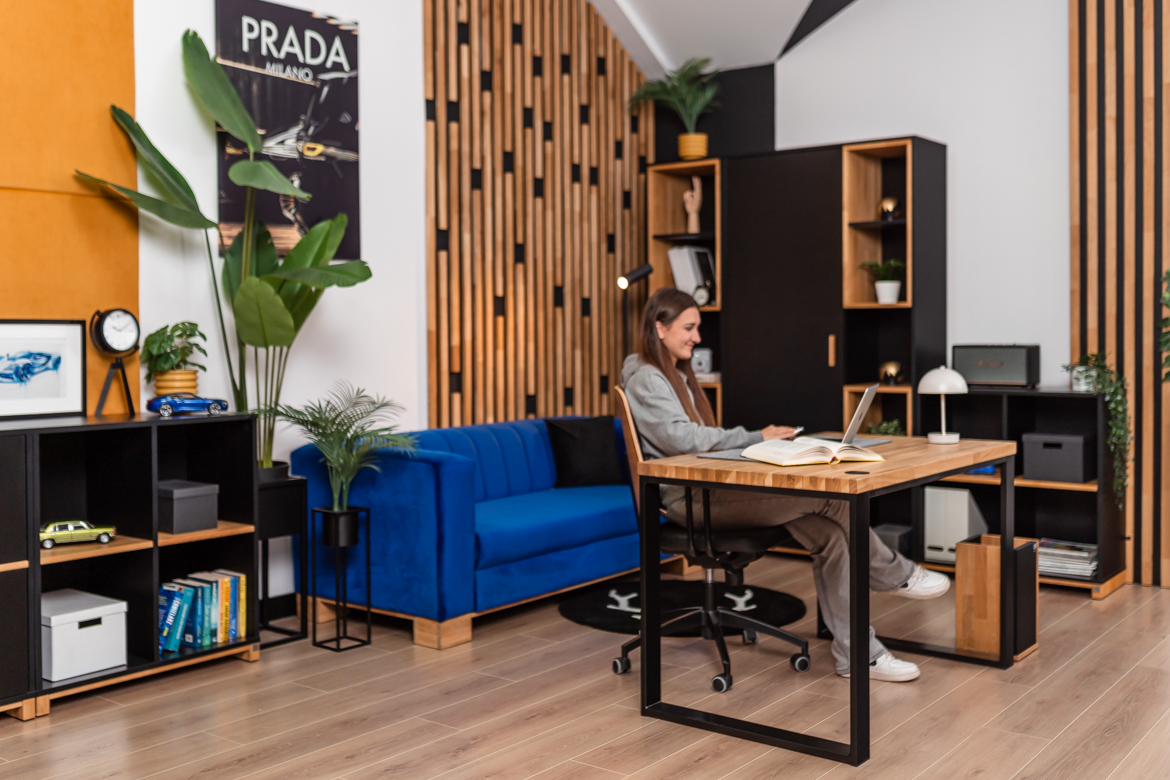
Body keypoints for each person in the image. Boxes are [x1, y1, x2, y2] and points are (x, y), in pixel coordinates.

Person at [621, 287, 950, 682]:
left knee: (831, 533)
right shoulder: (647, 378)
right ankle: (895, 574)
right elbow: (681, 439)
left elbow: (697, 439)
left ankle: (859, 655)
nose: (697, 337)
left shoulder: (676, 374)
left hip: (706, 490)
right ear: (660, 327)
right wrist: (756, 438)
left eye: (697, 328)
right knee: (831, 499)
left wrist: (759, 444)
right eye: (689, 328)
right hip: (686, 500)